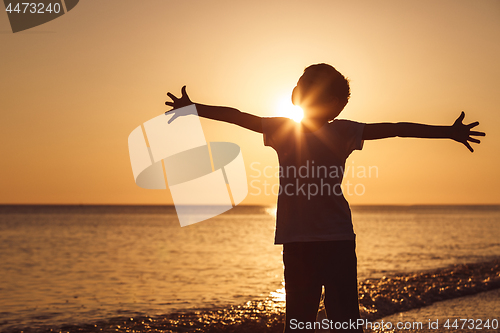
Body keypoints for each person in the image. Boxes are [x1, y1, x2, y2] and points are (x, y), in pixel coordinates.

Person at [164, 63, 485, 332]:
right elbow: (236, 115)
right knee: (299, 318)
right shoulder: (281, 128)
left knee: (344, 316)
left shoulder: (344, 130)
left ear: (334, 103)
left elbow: (397, 128)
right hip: (298, 240)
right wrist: (195, 108)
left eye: (313, 91)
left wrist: (447, 131)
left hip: (336, 239)